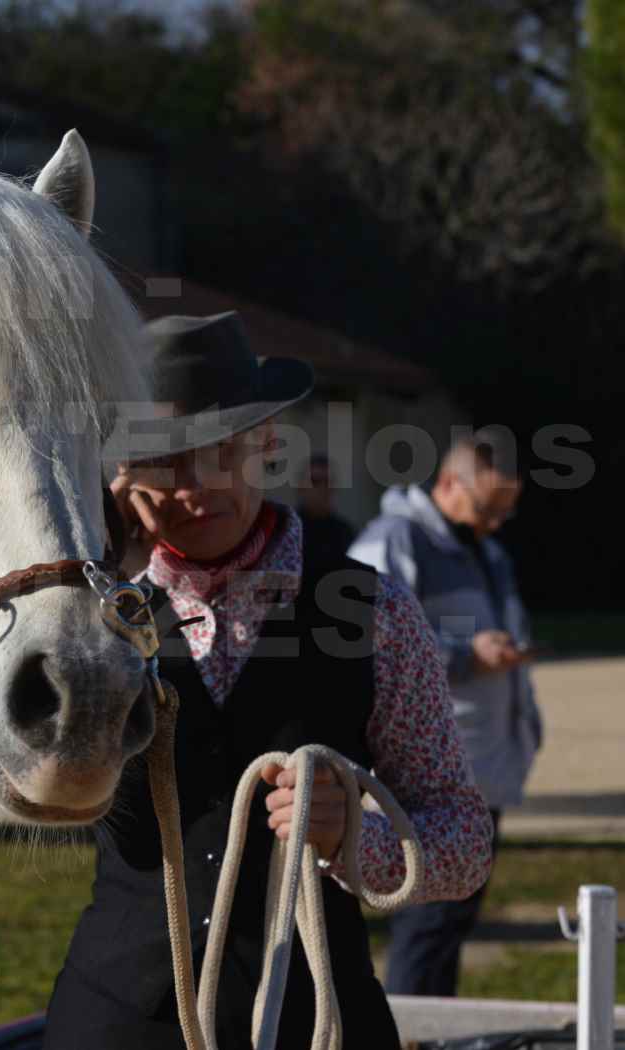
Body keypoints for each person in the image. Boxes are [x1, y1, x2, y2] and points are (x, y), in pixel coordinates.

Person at [43, 312, 493, 1050]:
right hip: (118, 1021)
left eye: (221, 450)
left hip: (314, 1019)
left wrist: (352, 837)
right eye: (164, 461)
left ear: (267, 444)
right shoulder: (88, 618)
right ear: (120, 474)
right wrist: (98, 559)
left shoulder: (373, 612)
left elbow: (462, 845)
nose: (195, 488)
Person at [348, 430, 540, 997]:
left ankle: (438, 1032)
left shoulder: (489, 550)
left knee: (452, 922)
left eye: (507, 512)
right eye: (487, 509)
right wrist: (465, 657)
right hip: (427, 777)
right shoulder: (395, 541)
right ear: (449, 484)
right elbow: (361, 636)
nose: (496, 524)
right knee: (426, 926)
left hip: (484, 770)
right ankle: (412, 1032)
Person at [296, 453, 356, 571]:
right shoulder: (286, 530)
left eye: (327, 481)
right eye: (315, 481)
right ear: (300, 487)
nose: (322, 488)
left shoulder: (345, 532)